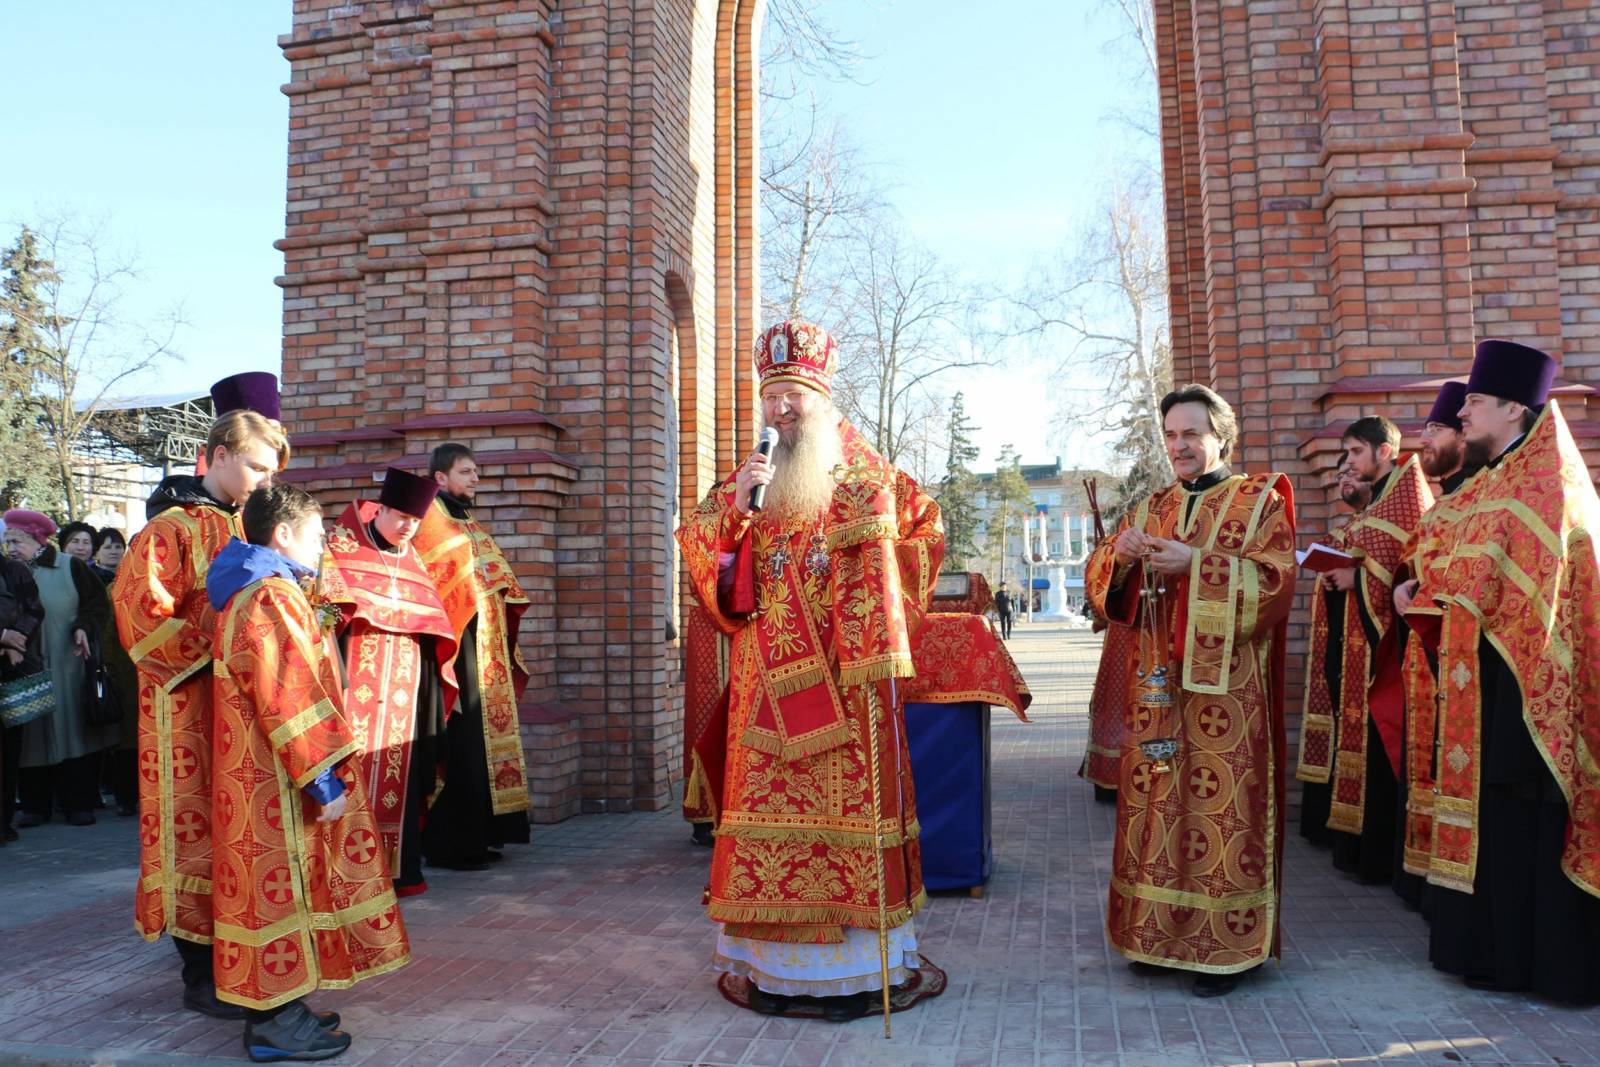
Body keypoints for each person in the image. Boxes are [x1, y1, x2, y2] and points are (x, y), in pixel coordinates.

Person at [676, 320, 944, 1022]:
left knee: (845, 825)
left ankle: (857, 973)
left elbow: (927, 538)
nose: (781, 410)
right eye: (771, 396)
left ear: (822, 397)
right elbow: (712, 570)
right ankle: (776, 971)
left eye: (793, 394)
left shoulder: (871, 477)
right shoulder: (748, 479)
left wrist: (880, 542)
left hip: (851, 692)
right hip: (767, 692)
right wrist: (733, 516)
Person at [1399, 339, 1600, 1002]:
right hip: (1476, 684)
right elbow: (1455, 564)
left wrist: (1445, 589)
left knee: (1528, 819)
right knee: (1495, 822)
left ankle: (1546, 965)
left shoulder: (1550, 486)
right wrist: (1421, 593)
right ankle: (1490, 955)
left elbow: (1537, 588)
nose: (1465, 417)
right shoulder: (1494, 479)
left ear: (1514, 407)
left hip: (1532, 687)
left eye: (1476, 404)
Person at [1083, 383, 1296, 997]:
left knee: (1217, 815)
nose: (1179, 445)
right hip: (1156, 693)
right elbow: (1106, 591)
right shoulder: (1150, 506)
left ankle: (1224, 949)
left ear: (1221, 437)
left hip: (1227, 698)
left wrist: (1197, 565)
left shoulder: (1258, 503)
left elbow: (1276, 585)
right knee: (1156, 810)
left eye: (1192, 434)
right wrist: (1118, 558)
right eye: (1172, 434)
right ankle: (1153, 938)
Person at [208, 484, 409, 1061]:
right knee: (276, 887)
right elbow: (288, 693)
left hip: (255, 766)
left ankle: (285, 1003)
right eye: (319, 535)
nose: (325, 545)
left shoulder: (254, 590)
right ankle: (271, 1022)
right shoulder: (270, 597)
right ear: (285, 535)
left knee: (279, 888)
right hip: (274, 772)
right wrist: (323, 778)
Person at [111, 372, 288, 1020]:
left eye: (272, 470)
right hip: (186, 713)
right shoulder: (172, 529)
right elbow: (140, 617)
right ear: (215, 457)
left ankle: (244, 959)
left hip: (241, 710)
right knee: (194, 835)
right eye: (257, 466)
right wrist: (225, 644)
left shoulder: (251, 529)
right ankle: (198, 973)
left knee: (241, 833)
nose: (266, 481)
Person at [1297, 417, 1432, 883]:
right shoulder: (1377, 505)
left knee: (1381, 748)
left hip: (1385, 660)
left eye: (1356, 452)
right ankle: (1355, 850)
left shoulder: (1408, 501)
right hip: (1353, 644)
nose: (1348, 462)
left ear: (1385, 450)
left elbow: (1413, 574)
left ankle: (1375, 859)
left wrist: (1359, 577)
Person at [323, 467, 457, 896]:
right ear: (379, 508)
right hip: (355, 681)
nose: (408, 528)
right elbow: (329, 618)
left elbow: (432, 624)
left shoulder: (413, 559)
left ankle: (400, 871)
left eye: (416, 522)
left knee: (400, 772)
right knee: (354, 771)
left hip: (404, 687)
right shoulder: (342, 547)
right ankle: (346, 873)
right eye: (401, 517)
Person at [413, 443, 532, 869]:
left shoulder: (469, 522)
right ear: (440, 478)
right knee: (461, 742)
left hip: (487, 649)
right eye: (467, 471)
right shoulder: (430, 519)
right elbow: (439, 580)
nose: (476, 478)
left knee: (484, 744)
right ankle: (452, 844)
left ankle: (484, 832)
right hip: (455, 649)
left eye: (477, 471)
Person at [1391, 380, 1476, 909]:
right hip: (1428, 663)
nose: (1424, 440)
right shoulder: (1445, 504)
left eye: (1435, 429)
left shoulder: (1481, 497)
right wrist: (1405, 584)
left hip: (1465, 669)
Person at [4, 509, 116, 828]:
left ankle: (78, 803)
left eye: (18, 541)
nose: (11, 548)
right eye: (8, 541)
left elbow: (97, 606)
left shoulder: (71, 566)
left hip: (69, 662)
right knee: (31, 736)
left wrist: (84, 627)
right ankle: (35, 806)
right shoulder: (8, 572)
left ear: (37, 540)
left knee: (74, 732)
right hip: (25, 667)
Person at [1297, 465, 1371, 846]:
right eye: (1341, 472)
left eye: (1354, 470)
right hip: (1338, 647)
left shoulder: (1397, 520)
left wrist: (1356, 578)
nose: (1345, 480)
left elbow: (1397, 573)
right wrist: (1329, 577)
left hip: (1372, 663)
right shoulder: (1347, 528)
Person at [87, 527, 141, 818]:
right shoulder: (115, 588)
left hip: (154, 674)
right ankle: (125, 797)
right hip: (125, 672)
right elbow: (107, 634)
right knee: (127, 742)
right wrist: (108, 668)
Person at [0, 552, 45, 844]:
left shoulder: (13, 569)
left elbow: (34, 610)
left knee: (7, 751)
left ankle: (3, 823)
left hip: (9, 670)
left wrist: (17, 638)